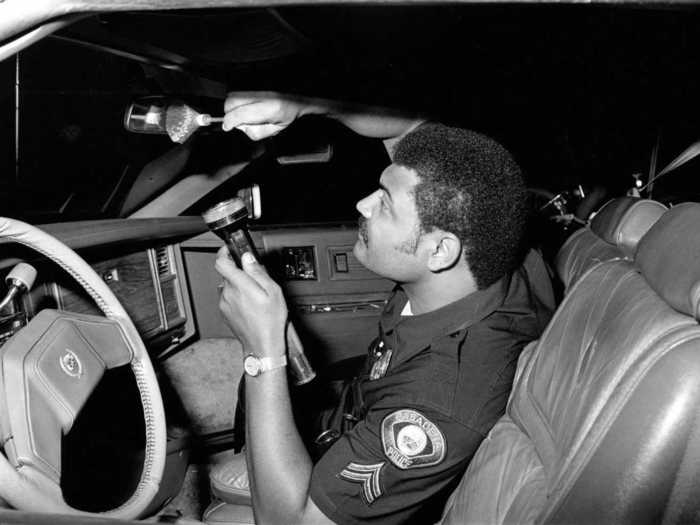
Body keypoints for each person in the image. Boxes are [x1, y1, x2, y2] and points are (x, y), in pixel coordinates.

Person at [213, 93, 554, 524]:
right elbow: (407, 125)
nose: (363, 205)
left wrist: (262, 353)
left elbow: (290, 522)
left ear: (440, 251)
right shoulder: (489, 254)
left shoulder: (438, 403)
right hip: (347, 420)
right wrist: (304, 106)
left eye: (385, 203)